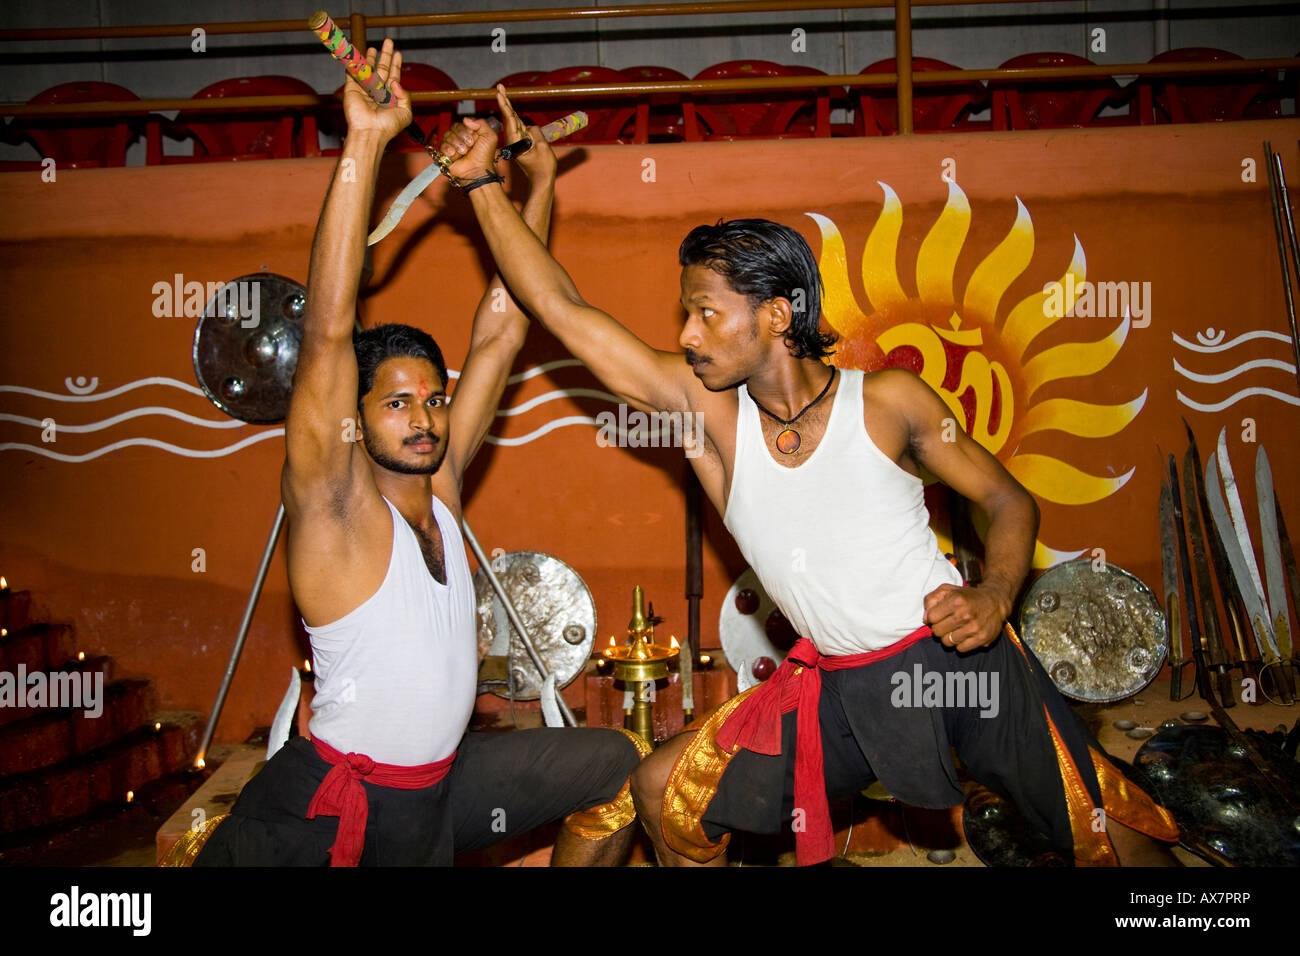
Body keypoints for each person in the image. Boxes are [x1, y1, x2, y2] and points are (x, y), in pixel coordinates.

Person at [436, 89, 1180, 867]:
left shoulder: (889, 402)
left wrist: (994, 594)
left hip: (957, 665)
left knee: (1100, 824)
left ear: (776, 316)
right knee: (666, 790)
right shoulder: (710, 419)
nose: (686, 335)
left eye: (706, 314)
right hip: (838, 693)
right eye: (683, 315)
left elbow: (1006, 499)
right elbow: (558, 305)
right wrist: (487, 186)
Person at [195, 41, 643, 867]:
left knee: (612, 767)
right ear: (355, 422)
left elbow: (505, 326)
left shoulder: (441, 484)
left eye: (433, 396)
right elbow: (329, 328)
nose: (426, 416)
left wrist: (533, 187)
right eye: (396, 403)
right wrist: (365, 140)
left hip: (440, 788)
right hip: (331, 811)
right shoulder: (335, 505)